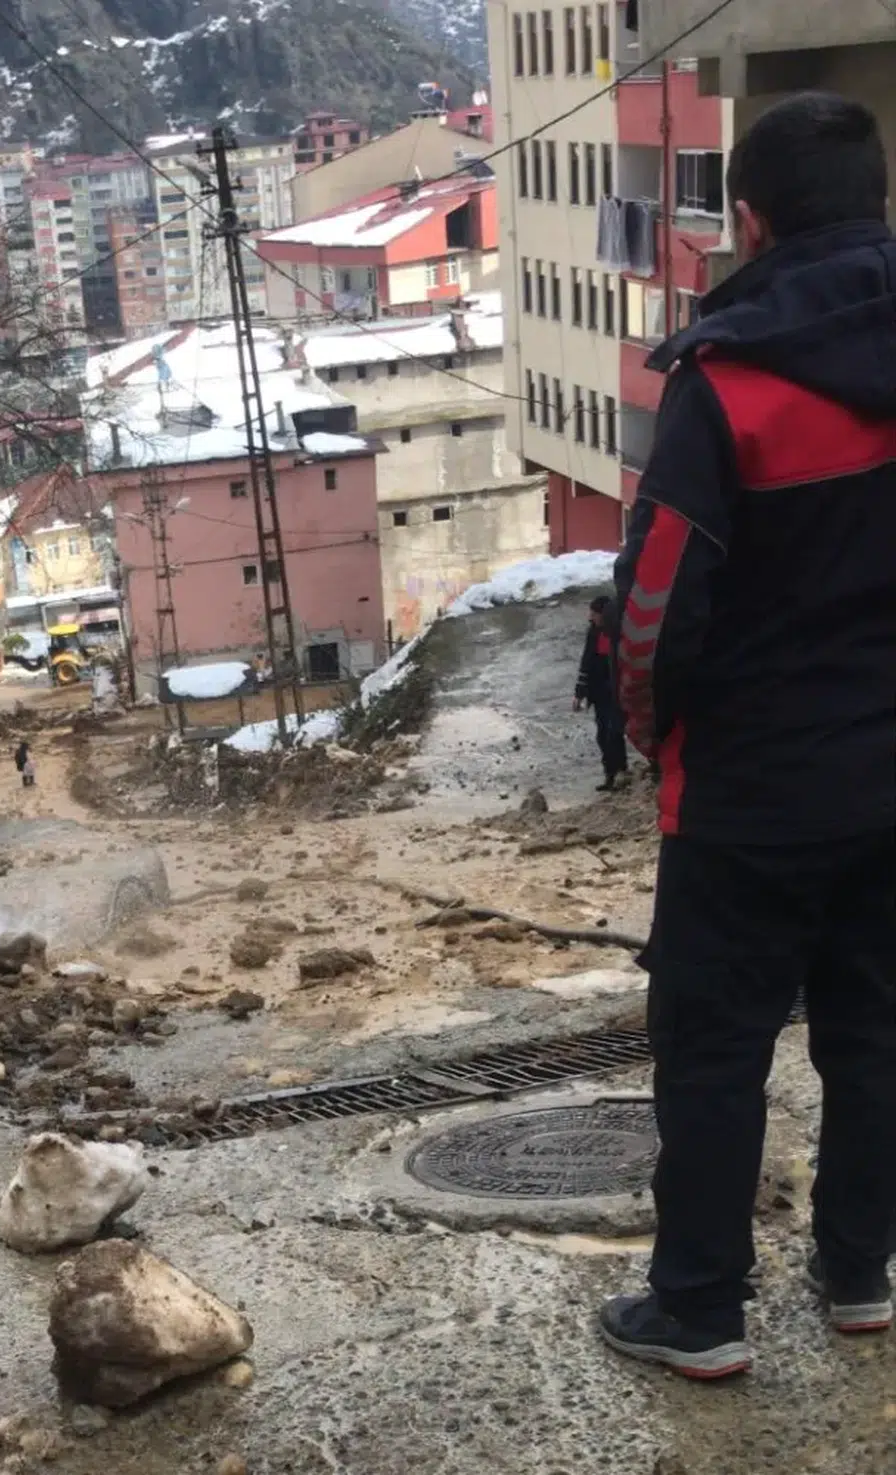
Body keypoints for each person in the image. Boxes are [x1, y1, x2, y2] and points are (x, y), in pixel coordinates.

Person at [601, 93, 896, 1378]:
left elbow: (654, 602)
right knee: (876, 1031)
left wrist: (643, 726)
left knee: (712, 1049)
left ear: (757, 218)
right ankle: (857, 1275)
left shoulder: (726, 387)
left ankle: (700, 1307)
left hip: (748, 792)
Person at [573, 595, 628, 793]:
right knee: (603, 735)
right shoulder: (594, 634)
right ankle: (610, 775)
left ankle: (622, 772)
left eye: (594, 613)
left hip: (617, 691)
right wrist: (579, 693)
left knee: (614, 733)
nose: (590, 617)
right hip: (599, 693)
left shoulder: (619, 633)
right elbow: (586, 662)